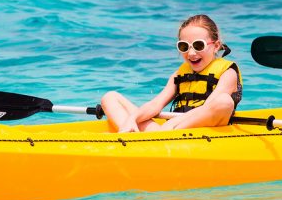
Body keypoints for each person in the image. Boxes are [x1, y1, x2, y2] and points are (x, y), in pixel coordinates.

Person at [101, 14, 242, 132]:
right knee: (110, 98)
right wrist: (132, 119)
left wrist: (171, 125)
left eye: (199, 45)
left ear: (216, 46)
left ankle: (159, 136)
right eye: (184, 46)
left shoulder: (228, 73)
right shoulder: (178, 75)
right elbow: (156, 104)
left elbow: (208, 108)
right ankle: (128, 134)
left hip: (203, 129)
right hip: (170, 130)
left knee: (224, 101)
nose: (191, 53)